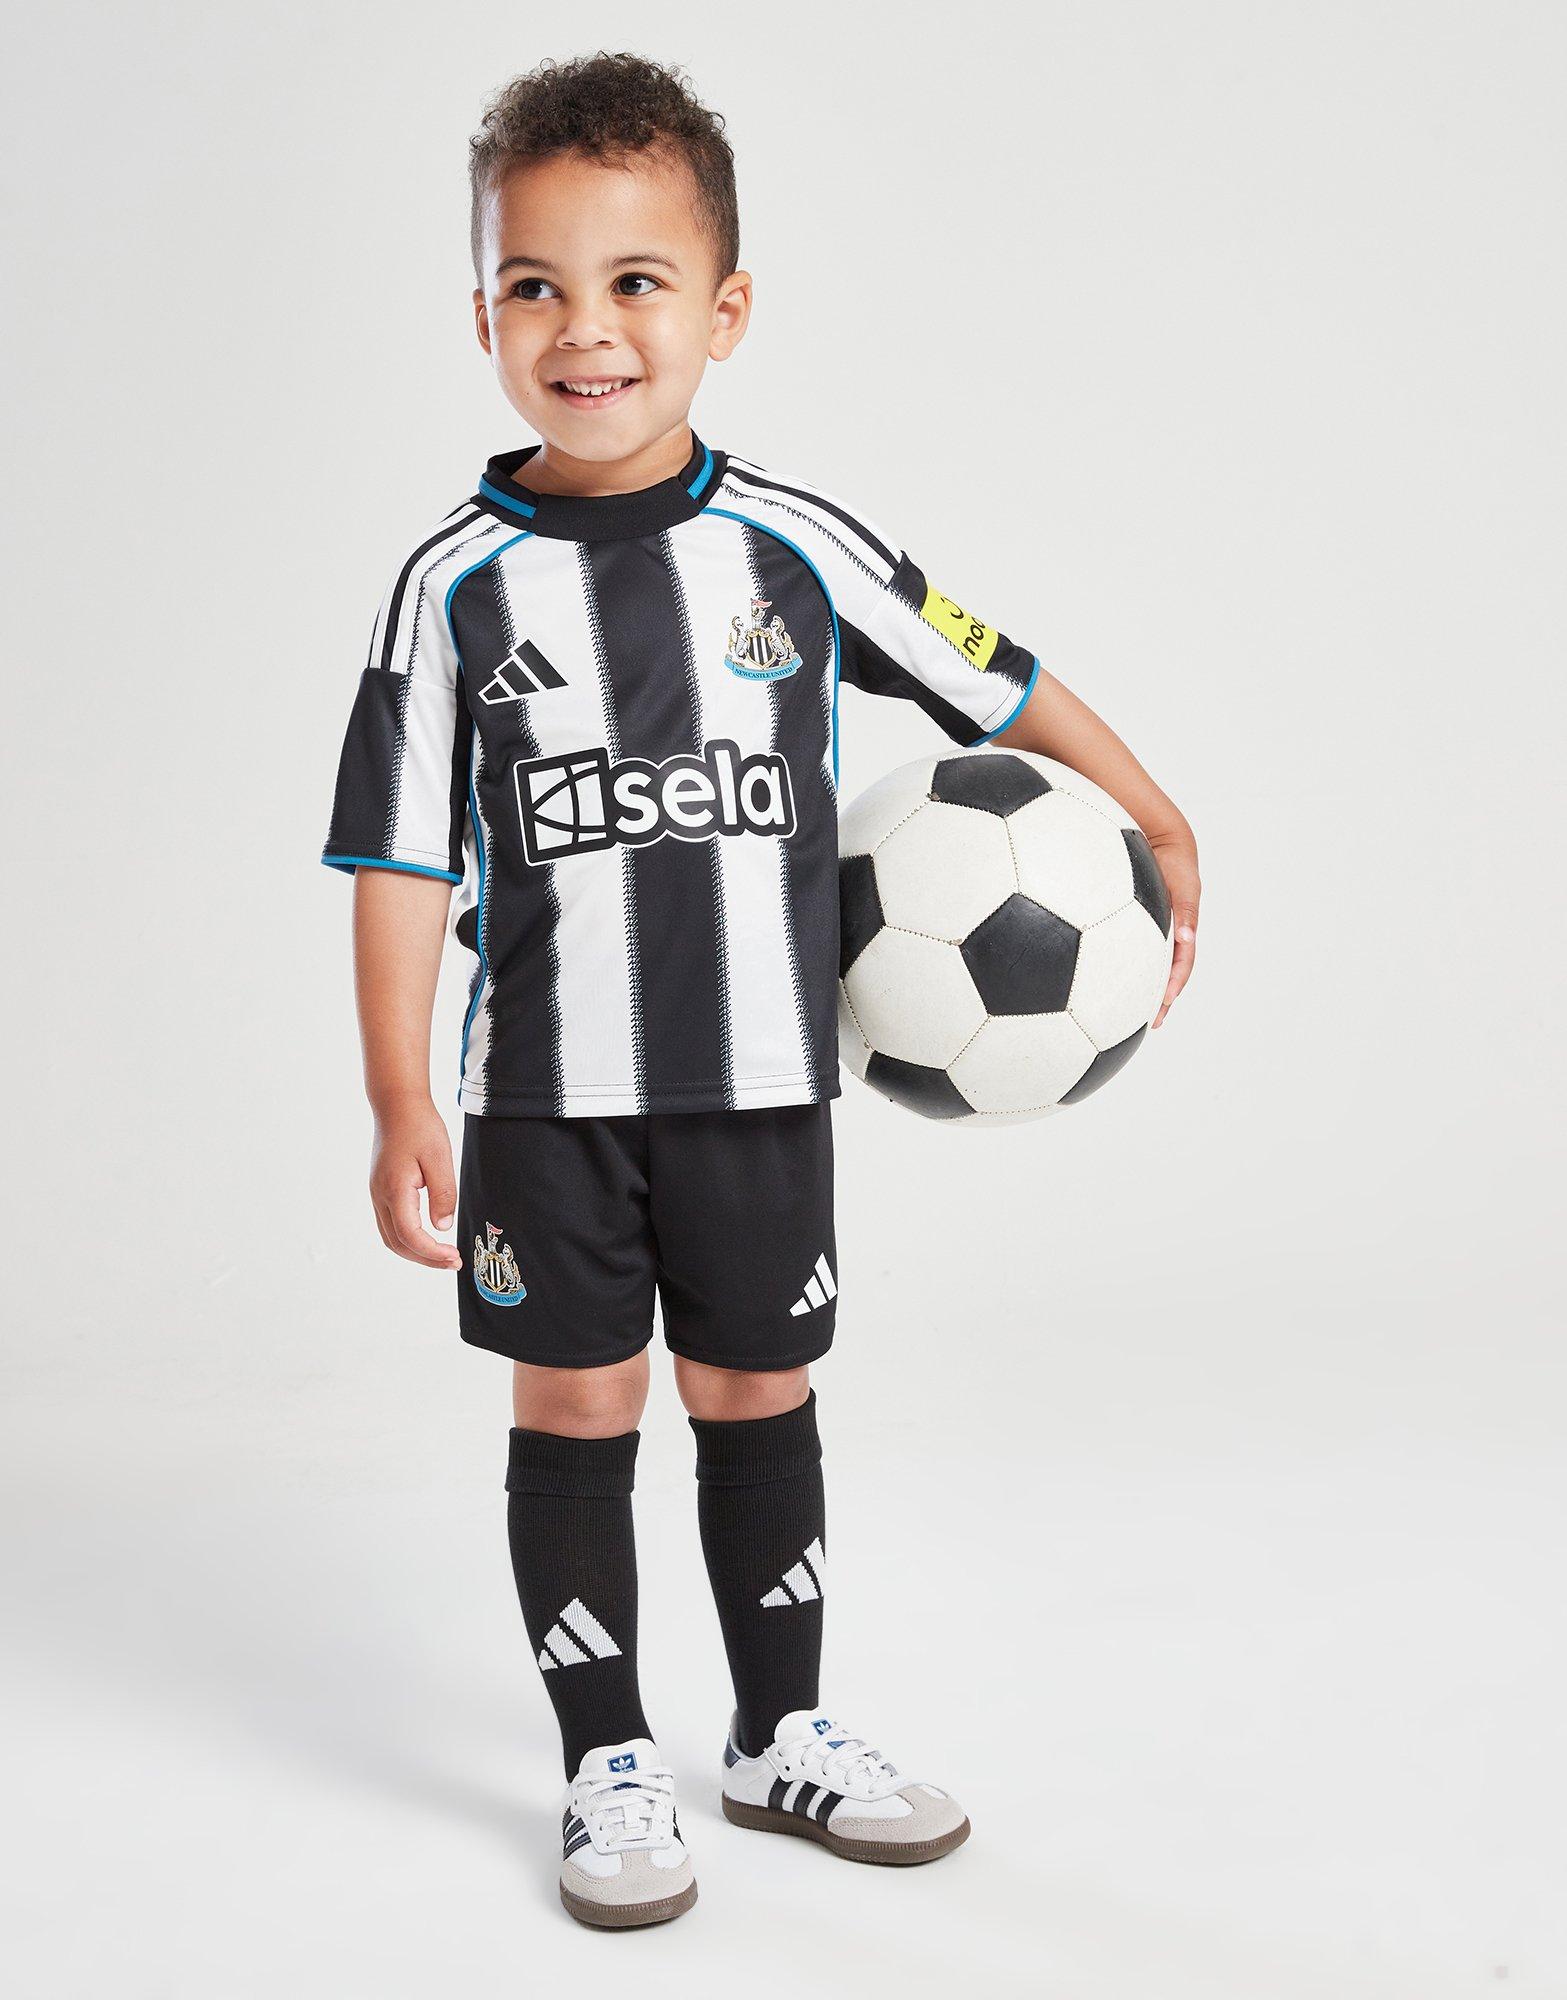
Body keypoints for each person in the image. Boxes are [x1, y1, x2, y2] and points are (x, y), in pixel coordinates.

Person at [321, 51, 1200, 1931]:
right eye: (537, 285)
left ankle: (778, 1732)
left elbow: (991, 670)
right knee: (579, 1402)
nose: (586, 328)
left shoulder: (795, 544)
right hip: (545, 1095)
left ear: (723, 310)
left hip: (761, 1079)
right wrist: (400, 1095)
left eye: (636, 281)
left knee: (754, 1383)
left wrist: (1151, 813)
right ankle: (606, 1759)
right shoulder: (450, 589)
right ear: (482, 317)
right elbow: (399, 865)